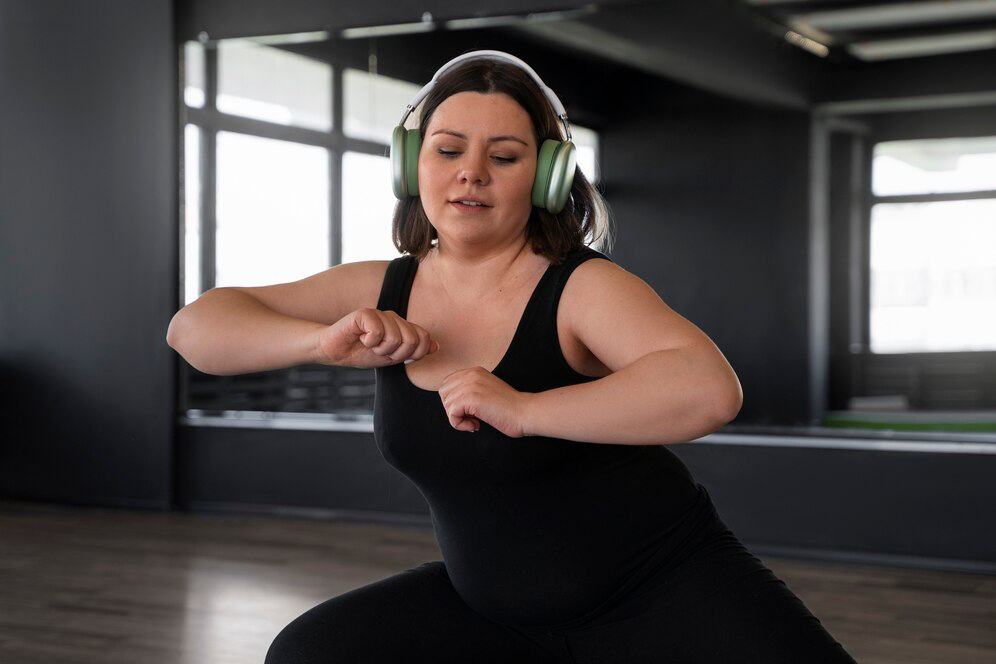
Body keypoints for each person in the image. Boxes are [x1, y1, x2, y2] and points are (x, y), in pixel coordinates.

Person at [167, 51, 857, 663]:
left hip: (663, 592)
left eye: (503, 156)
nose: (471, 174)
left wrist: (524, 409)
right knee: (311, 652)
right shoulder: (383, 287)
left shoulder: (580, 287)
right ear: (413, 165)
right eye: (447, 150)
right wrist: (317, 341)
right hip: (495, 614)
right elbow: (196, 329)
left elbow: (709, 390)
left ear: (548, 176)